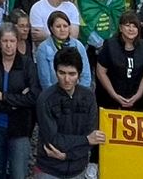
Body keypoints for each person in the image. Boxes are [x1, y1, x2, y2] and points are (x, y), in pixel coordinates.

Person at [35, 46, 105, 179]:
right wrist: (85, 140)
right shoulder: (45, 99)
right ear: (55, 72)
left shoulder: (88, 97)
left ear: (79, 74)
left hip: (78, 169)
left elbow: (92, 136)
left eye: (72, 74)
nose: (66, 79)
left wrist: (67, 155)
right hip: (49, 169)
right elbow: (53, 139)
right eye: (62, 73)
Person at [0, 24, 38, 179]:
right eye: (5, 41)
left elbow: (33, 96)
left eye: (12, 41)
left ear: (17, 41)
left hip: (20, 126)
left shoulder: (27, 64)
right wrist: (15, 104)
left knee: (18, 173)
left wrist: (3, 97)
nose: (8, 45)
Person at [95, 11, 143, 113]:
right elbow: (100, 72)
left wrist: (138, 95)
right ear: (120, 28)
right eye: (127, 25)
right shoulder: (110, 45)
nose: (131, 29)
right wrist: (114, 95)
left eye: (134, 26)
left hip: (136, 100)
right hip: (110, 99)